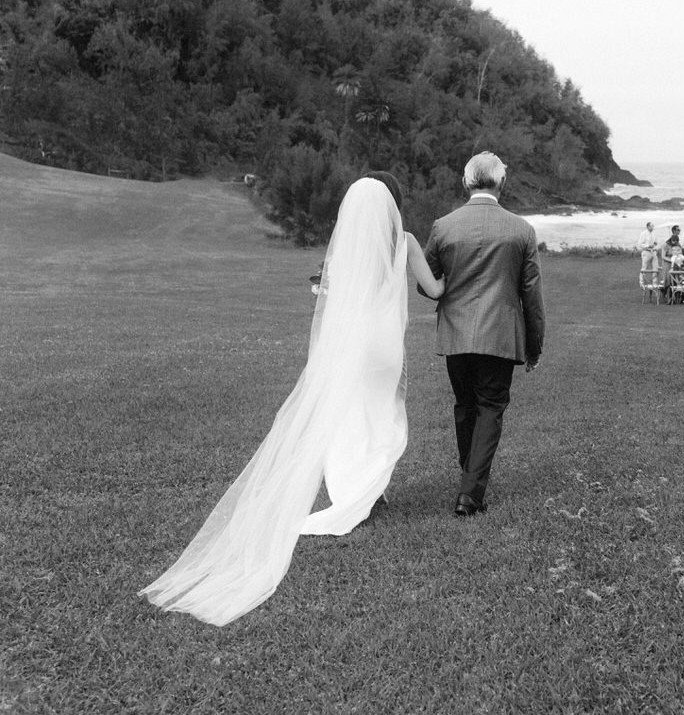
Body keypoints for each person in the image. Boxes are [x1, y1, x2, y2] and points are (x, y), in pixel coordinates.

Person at [140, 177, 445, 626]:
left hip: (351, 343)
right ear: (394, 205)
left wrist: (321, 294)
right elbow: (434, 291)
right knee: (384, 415)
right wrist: (452, 272)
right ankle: (369, 492)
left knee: (344, 417)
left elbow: (330, 297)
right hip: (383, 347)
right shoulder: (406, 240)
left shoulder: (346, 245)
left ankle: (352, 495)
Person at [423, 152, 545, 517]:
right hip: (500, 334)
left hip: (456, 333)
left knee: (465, 405)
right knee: (490, 407)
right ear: (501, 183)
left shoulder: (443, 226)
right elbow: (532, 296)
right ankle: (470, 493)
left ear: (466, 182)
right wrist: (534, 346)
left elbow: (428, 283)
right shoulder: (521, 230)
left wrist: (451, 284)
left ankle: (469, 480)